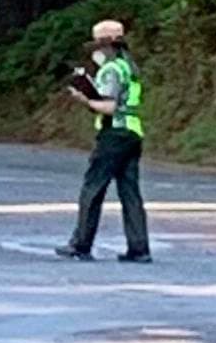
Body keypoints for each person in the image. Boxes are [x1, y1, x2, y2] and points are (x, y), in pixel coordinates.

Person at [57, 17, 150, 263]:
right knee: (130, 192)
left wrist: (83, 99)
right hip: (132, 132)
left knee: (93, 188)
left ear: (103, 44)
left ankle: (81, 244)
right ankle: (139, 248)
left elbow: (108, 106)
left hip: (113, 134)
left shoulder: (110, 70)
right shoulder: (129, 66)